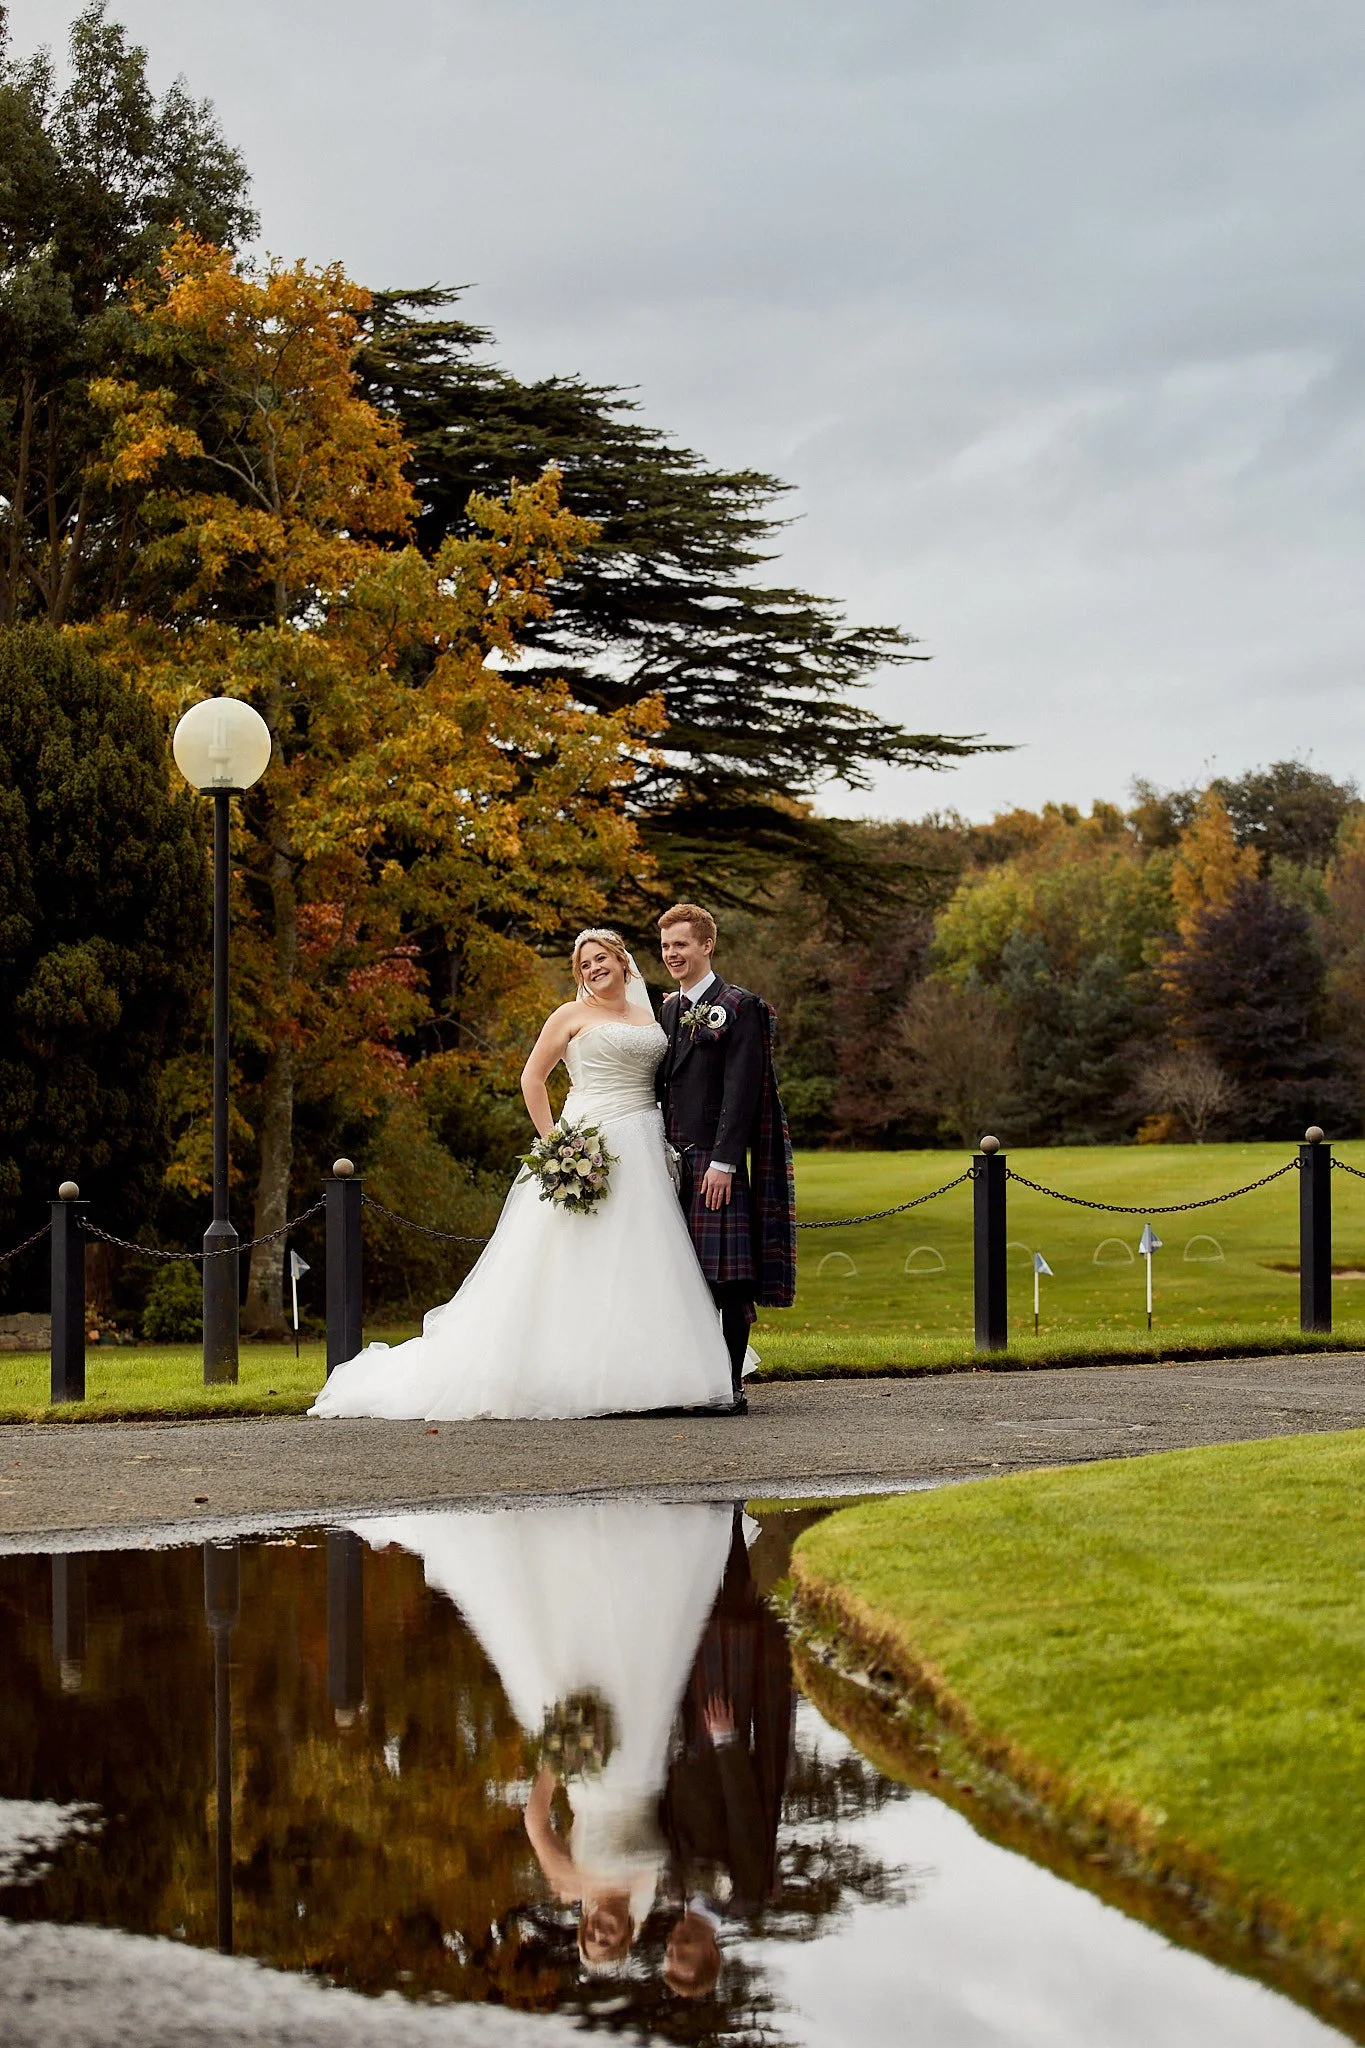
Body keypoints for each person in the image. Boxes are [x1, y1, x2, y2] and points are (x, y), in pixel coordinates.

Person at [309, 929, 733, 1420]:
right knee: (577, 1255)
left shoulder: (653, 1015)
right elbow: (532, 1078)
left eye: (600, 960)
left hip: (644, 1143)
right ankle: (572, 1371)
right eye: (584, 965)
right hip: (588, 1143)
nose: (593, 969)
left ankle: (654, 1370)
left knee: (646, 1253)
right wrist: (556, 1142)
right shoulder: (569, 1016)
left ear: (622, 962)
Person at [351, 1499, 736, 1970]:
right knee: (631, 1651)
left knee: (575, 1656)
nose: (599, 1932)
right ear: (626, 1937)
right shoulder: (651, 1889)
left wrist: (559, 1759)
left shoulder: (569, 1883)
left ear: (583, 1928)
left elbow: (536, 1821)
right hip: (642, 1756)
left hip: (589, 1777)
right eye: (608, 1942)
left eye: (590, 1938)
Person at [657, 905, 797, 1413]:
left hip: (716, 1167)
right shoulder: (667, 1011)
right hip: (671, 1166)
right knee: (681, 1277)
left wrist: (725, 1162)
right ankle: (693, 1382)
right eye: (667, 946)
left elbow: (744, 1092)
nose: (672, 954)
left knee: (729, 1279)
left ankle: (731, 1387)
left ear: (706, 946)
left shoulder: (741, 1006)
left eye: (682, 945)